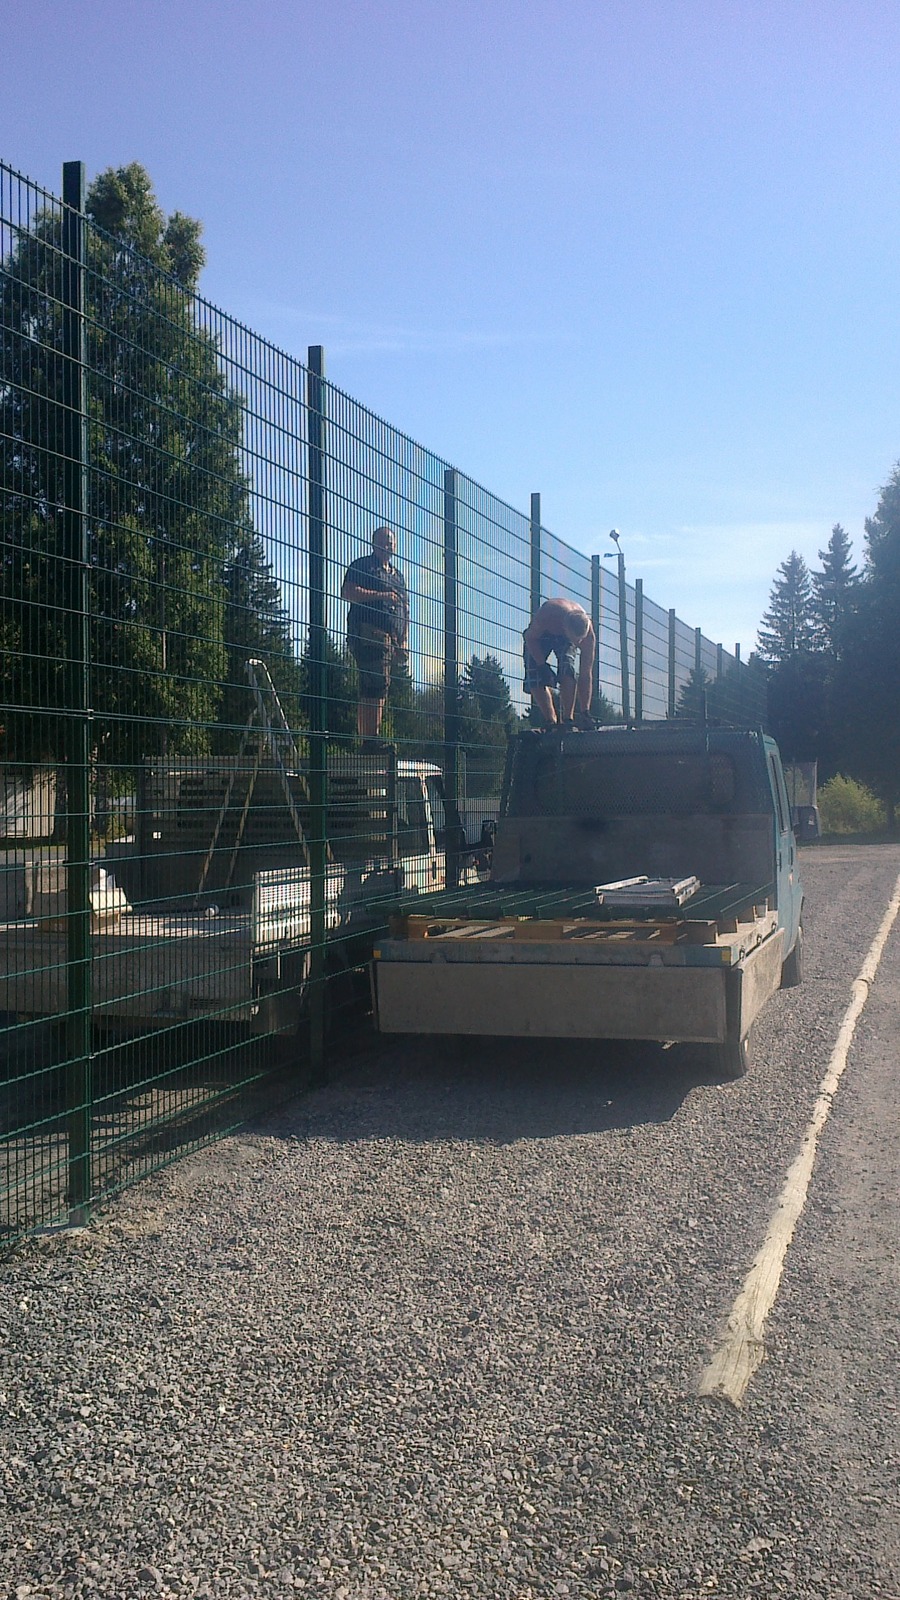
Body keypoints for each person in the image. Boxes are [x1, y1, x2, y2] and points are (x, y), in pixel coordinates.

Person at [341, 525, 409, 742]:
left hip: (391, 639)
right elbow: (348, 592)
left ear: (395, 546)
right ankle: (370, 739)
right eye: (382, 542)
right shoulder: (363, 566)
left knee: (381, 685)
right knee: (375, 683)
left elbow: (405, 608)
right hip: (367, 633)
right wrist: (382, 595)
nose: (387, 546)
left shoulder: (398, 576)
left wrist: (403, 640)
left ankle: (371, 737)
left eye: (390, 542)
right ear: (373, 543)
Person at [523, 597, 596, 727]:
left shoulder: (588, 636)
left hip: (567, 633)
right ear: (565, 628)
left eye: (580, 640)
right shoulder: (547, 616)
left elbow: (586, 673)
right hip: (539, 637)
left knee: (567, 668)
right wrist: (542, 665)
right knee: (534, 674)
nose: (578, 643)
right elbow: (530, 637)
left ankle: (568, 719)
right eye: (575, 640)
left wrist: (585, 710)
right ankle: (550, 720)